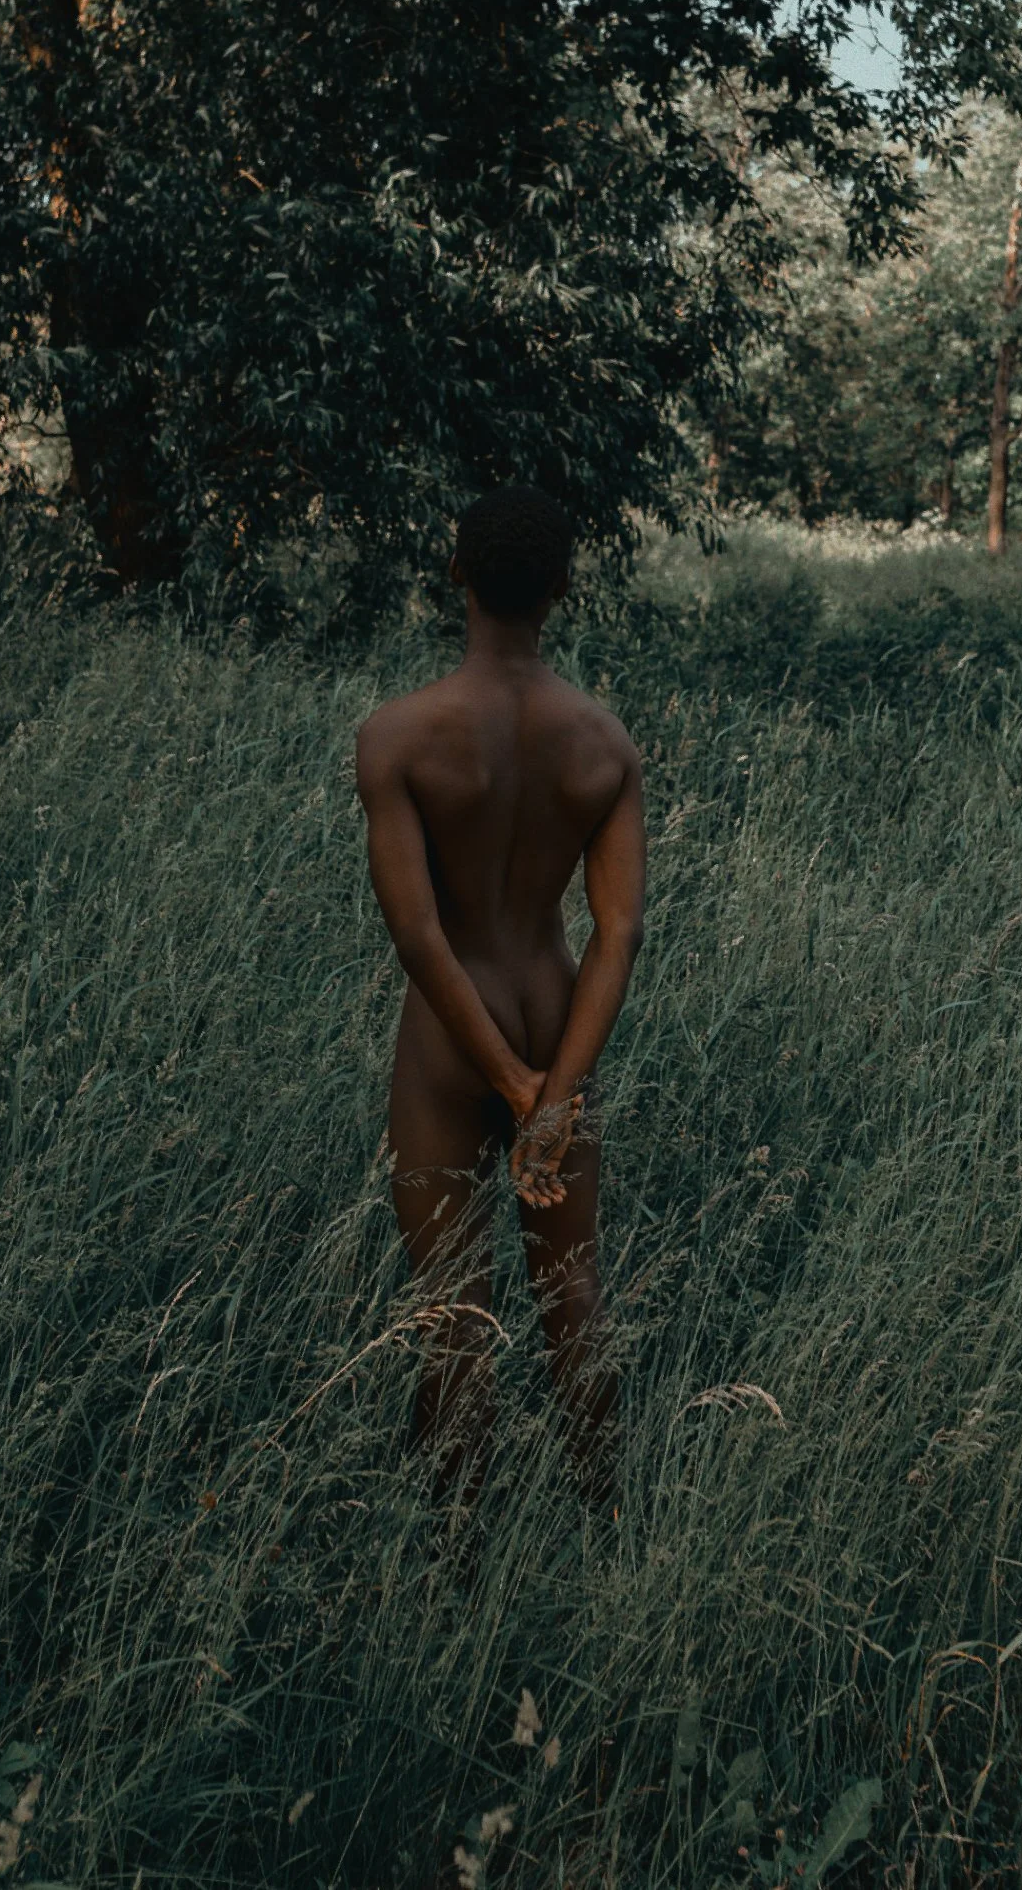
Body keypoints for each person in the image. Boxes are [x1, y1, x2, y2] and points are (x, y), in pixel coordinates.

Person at [355, 485, 645, 1511]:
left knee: (454, 1318)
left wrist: (508, 1082)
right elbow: (618, 931)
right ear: (563, 588)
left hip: (452, 1035)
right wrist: (555, 1090)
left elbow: (419, 933)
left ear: (455, 573)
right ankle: (611, 1535)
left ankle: (451, 1578)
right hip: (556, 1014)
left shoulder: (397, 737)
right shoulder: (604, 743)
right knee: (574, 1305)